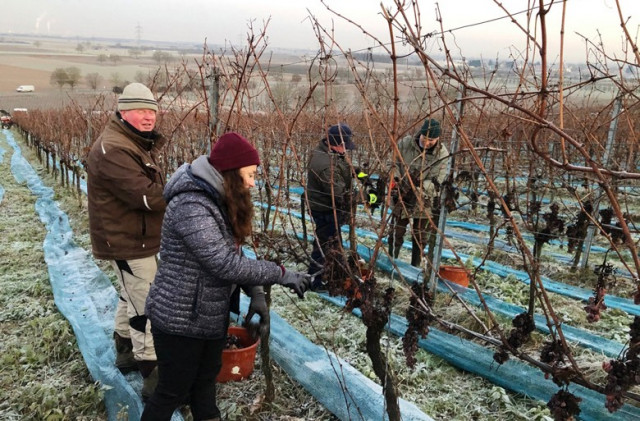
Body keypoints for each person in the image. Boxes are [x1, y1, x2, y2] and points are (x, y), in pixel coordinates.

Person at [141, 132, 311, 421]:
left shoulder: (217, 198)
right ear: (231, 172)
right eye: (250, 174)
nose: (253, 182)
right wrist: (280, 273)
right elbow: (223, 262)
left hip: (207, 316)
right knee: (172, 391)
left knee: (205, 387)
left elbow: (234, 255)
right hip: (178, 320)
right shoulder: (191, 204)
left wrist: (256, 292)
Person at [86, 82, 165, 398]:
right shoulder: (115, 149)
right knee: (147, 305)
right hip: (129, 240)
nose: (148, 118)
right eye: (140, 111)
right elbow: (146, 197)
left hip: (135, 236)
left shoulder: (131, 142)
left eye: (152, 111)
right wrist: (186, 190)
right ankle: (154, 374)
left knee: (129, 294)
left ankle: (124, 349)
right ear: (122, 112)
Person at [388, 118, 449, 267]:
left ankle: (414, 266)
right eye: (425, 138)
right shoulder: (405, 143)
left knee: (420, 236)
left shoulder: (441, 153)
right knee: (396, 232)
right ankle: (391, 262)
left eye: (432, 140)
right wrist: (397, 181)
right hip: (401, 196)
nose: (427, 143)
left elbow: (437, 180)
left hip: (424, 199)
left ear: (438, 139)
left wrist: (416, 189)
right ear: (420, 134)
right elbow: (393, 164)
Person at [305, 123, 355, 290]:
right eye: (344, 146)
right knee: (324, 244)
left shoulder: (330, 152)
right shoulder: (325, 165)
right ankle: (314, 280)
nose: (346, 150)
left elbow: (345, 168)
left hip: (327, 207)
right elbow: (339, 192)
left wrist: (361, 174)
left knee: (332, 242)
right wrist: (368, 198)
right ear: (336, 144)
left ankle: (331, 275)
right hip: (325, 209)